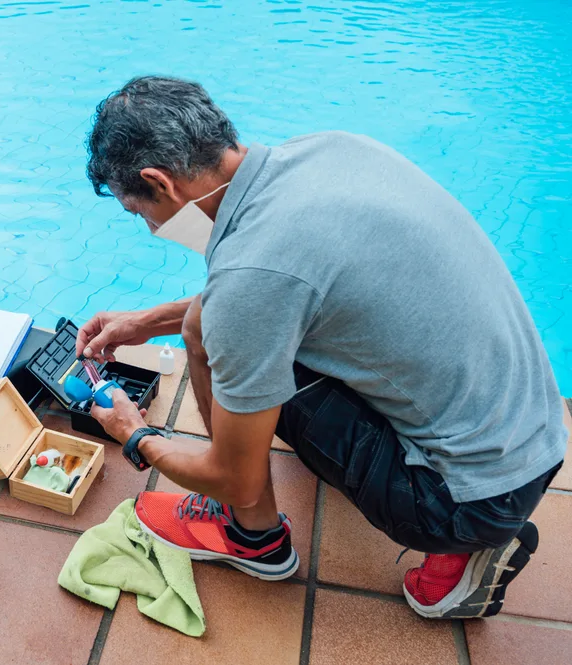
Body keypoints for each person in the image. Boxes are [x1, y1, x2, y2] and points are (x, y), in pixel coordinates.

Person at [77, 75, 568, 619]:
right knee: (213, 322)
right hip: (532, 434)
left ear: (159, 183)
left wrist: (134, 433)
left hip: (463, 499)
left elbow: (235, 467)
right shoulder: (330, 149)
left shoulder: (251, 279)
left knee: (216, 333)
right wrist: (148, 322)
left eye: (136, 211)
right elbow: (277, 286)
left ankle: (254, 539)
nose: (148, 228)